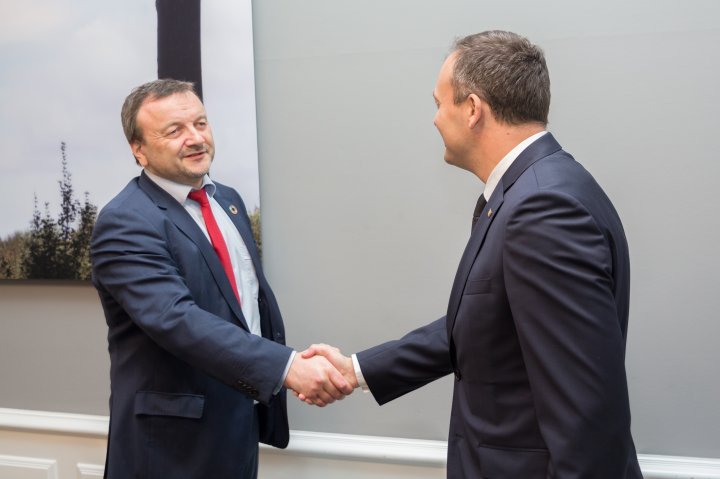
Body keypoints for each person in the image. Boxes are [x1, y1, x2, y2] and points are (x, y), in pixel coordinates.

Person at [302, 31, 643, 478]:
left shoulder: (543, 209)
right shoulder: (526, 193)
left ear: (472, 109)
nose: (435, 120)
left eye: (439, 103)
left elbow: (587, 413)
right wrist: (357, 369)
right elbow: (485, 323)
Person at [90, 79, 351, 479]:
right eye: (174, 130)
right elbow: (178, 320)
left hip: (237, 427)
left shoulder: (226, 200)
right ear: (138, 149)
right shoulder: (125, 220)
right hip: (169, 447)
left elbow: (241, 308)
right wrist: (286, 367)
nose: (195, 138)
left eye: (201, 123)